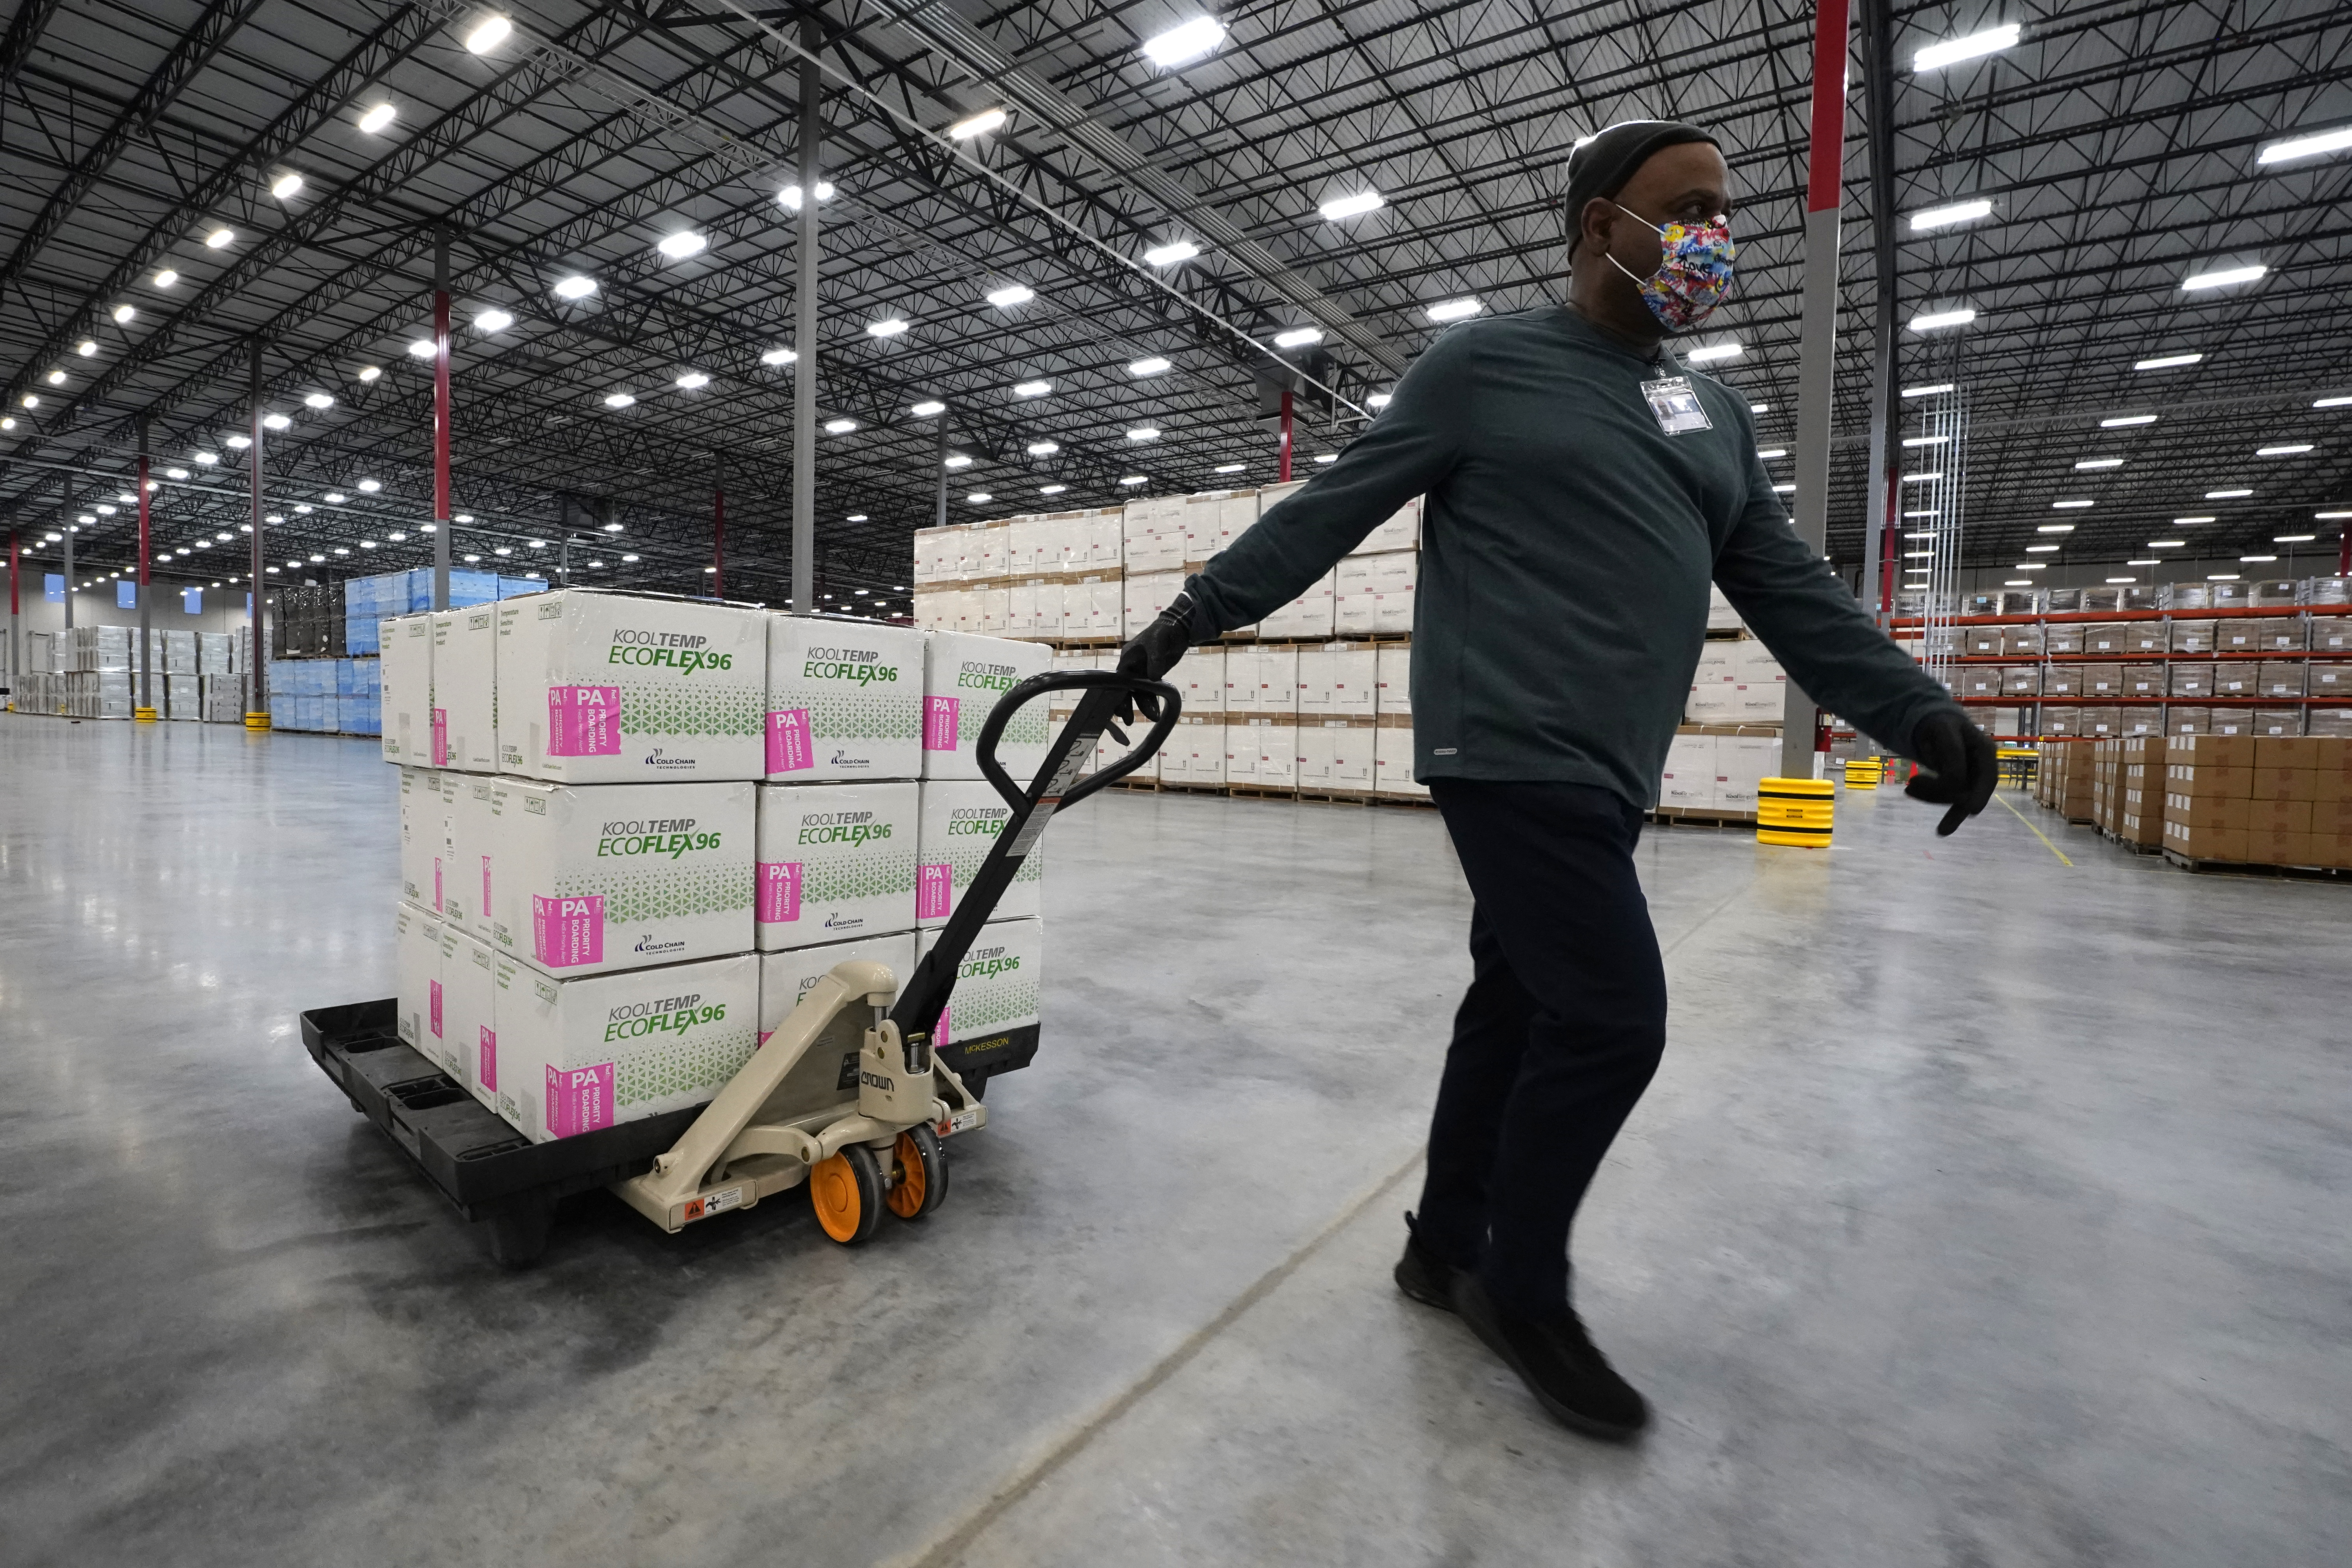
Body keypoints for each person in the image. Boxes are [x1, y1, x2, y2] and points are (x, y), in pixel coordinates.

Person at [1117, 119, 1998, 1439]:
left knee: (1521, 1003)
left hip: (1608, 763)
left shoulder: (1712, 414)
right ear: (1601, 226)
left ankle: (1441, 1247)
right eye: (1687, 207)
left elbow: (1789, 591)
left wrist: (1916, 712)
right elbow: (1332, 506)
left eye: (1724, 211)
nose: (1716, 235)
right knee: (1613, 1019)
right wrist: (1186, 618)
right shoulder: (1487, 366)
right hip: (1506, 742)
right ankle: (1520, 1291)